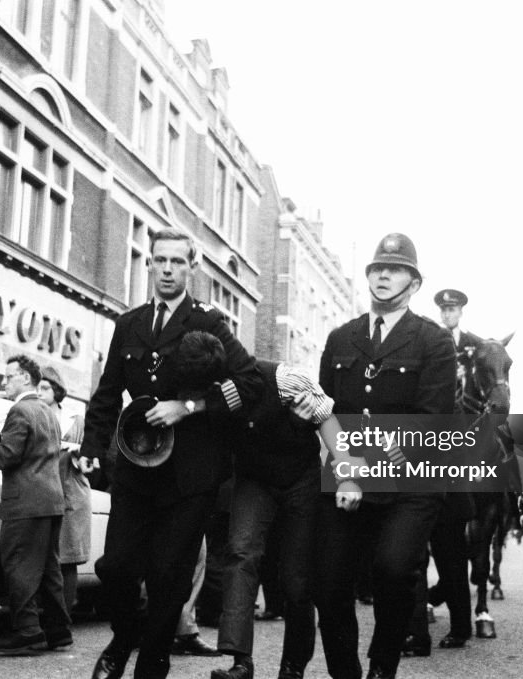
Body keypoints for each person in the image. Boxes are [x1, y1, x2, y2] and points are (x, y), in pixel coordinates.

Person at [79, 228, 262, 679]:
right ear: (149, 263)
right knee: (117, 568)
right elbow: (106, 394)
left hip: (190, 476)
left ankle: (154, 657)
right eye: (159, 260)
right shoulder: (130, 323)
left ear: (191, 267)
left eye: (177, 262)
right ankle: (124, 638)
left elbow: (251, 383)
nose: (166, 269)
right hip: (137, 468)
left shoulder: (209, 322)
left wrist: (191, 406)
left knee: (168, 574)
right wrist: (92, 446)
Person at [314, 233, 456, 679]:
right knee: (330, 585)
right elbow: (327, 412)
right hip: (345, 478)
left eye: (394, 269)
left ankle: (382, 665)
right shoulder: (341, 338)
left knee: (395, 571)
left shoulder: (434, 342)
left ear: (413, 283)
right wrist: (346, 472)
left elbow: (432, 421)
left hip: (409, 484)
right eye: (377, 268)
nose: (382, 275)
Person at [210, 357, 340, 679]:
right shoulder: (204, 400)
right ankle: (241, 662)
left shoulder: (285, 379)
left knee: (296, 578)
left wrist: (349, 473)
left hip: (301, 478)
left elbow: (328, 422)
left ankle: (293, 666)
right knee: (241, 554)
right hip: (254, 479)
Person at [0, 355, 71, 654]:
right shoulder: (47, 411)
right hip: (52, 500)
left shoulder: (20, 410)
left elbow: (7, 455)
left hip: (25, 501)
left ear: (24, 378)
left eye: (8, 377)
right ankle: (58, 631)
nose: (4, 382)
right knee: (48, 569)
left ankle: (29, 632)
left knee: (19, 565)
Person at [421, 289, 477, 651]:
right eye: (443, 308)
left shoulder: (476, 346)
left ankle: (461, 625)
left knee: (452, 550)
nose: (448, 313)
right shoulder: (428, 343)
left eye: (453, 308)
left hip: (465, 437)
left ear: (461, 312)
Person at [37, 366, 95, 614]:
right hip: (43, 491)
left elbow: (89, 456)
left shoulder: (75, 419)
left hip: (72, 490)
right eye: (38, 387)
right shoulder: (34, 415)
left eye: (45, 388)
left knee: (67, 557)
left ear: (57, 391)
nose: (40, 392)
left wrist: (81, 454)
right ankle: (46, 614)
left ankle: (64, 614)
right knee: (44, 555)